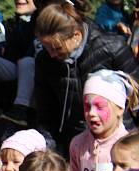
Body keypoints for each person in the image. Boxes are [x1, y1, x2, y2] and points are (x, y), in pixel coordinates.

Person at [34, 0, 139, 154]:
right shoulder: (45, 61)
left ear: (76, 35)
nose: (52, 54)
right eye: (46, 47)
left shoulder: (112, 48)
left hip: (121, 142)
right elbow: (46, 113)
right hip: (76, 145)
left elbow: (137, 99)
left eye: (57, 47)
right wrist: (49, 151)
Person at [0, 0, 39, 126]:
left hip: (34, 75)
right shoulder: (12, 22)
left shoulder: (44, 18)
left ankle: (21, 109)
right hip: (16, 71)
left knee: (26, 62)